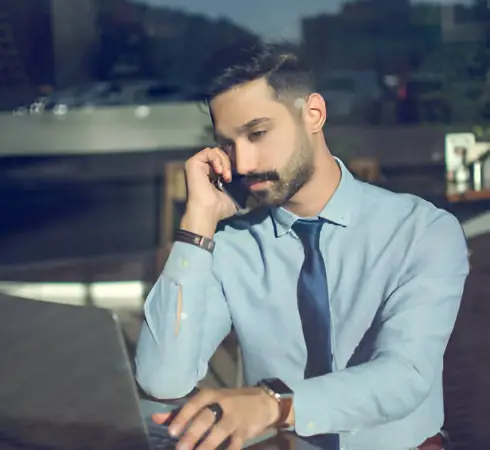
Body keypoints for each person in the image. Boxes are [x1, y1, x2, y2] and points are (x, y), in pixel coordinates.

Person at [135, 40, 469, 450]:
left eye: (257, 133)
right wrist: (196, 224)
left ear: (313, 114)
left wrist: (271, 404)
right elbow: (162, 380)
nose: (242, 163)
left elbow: (405, 376)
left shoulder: (422, 230)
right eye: (228, 144)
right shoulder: (232, 246)